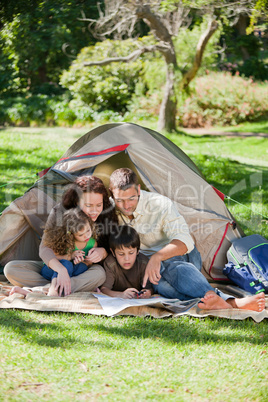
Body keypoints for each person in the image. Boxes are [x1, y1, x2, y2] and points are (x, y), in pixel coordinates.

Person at [109, 168, 265, 312]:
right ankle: (216, 302)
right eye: (119, 200)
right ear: (112, 194)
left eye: (131, 198)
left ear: (138, 190)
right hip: (155, 271)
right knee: (162, 287)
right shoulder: (110, 210)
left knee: (171, 267)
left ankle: (227, 300)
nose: (126, 205)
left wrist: (158, 257)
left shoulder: (159, 204)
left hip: (181, 257)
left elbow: (185, 242)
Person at [4, 176, 118, 296]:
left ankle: (49, 289)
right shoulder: (59, 212)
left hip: (83, 270)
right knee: (11, 269)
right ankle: (63, 288)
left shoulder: (106, 216)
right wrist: (61, 270)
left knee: (99, 275)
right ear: (76, 201)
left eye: (99, 205)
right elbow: (44, 249)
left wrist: (103, 252)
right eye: (89, 205)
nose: (95, 211)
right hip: (56, 265)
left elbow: (114, 249)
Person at [41, 208, 98, 296]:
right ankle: (53, 287)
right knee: (66, 264)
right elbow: (53, 258)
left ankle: (64, 286)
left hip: (72, 273)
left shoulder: (92, 243)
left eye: (88, 230)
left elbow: (89, 263)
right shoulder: (66, 243)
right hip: (52, 270)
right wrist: (70, 256)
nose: (86, 236)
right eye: (81, 235)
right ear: (71, 234)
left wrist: (83, 261)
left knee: (82, 267)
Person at [100, 225, 154, 299]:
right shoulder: (110, 263)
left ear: (138, 250)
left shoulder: (143, 263)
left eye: (131, 253)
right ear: (113, 252)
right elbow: (104, 289)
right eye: (121, 254)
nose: (127, 258)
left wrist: (147, 292)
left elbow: (150, 288)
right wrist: (121, 295)